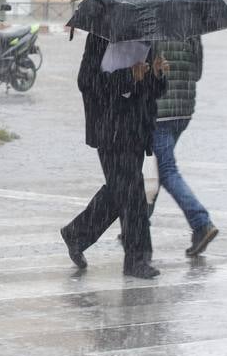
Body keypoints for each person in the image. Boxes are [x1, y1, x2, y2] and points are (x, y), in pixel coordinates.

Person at [61, 37, 168, 278]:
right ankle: (137, 259)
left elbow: (154, 91)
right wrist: (127, 76)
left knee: (122, 190)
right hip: (109, 127)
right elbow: (86, 82)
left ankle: (77, 233)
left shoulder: (148, 36)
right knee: (132, 191)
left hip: (136, 128)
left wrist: (157, 75)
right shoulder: (101, 37)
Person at [152, 36, 218, 256]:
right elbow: (197, 72)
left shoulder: (151, 22)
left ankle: (201, 222)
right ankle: (137, 224)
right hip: (184, 109)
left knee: (165, 170)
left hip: (159, 109)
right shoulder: (190, 25)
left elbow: (147, 68)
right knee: (153, 170)